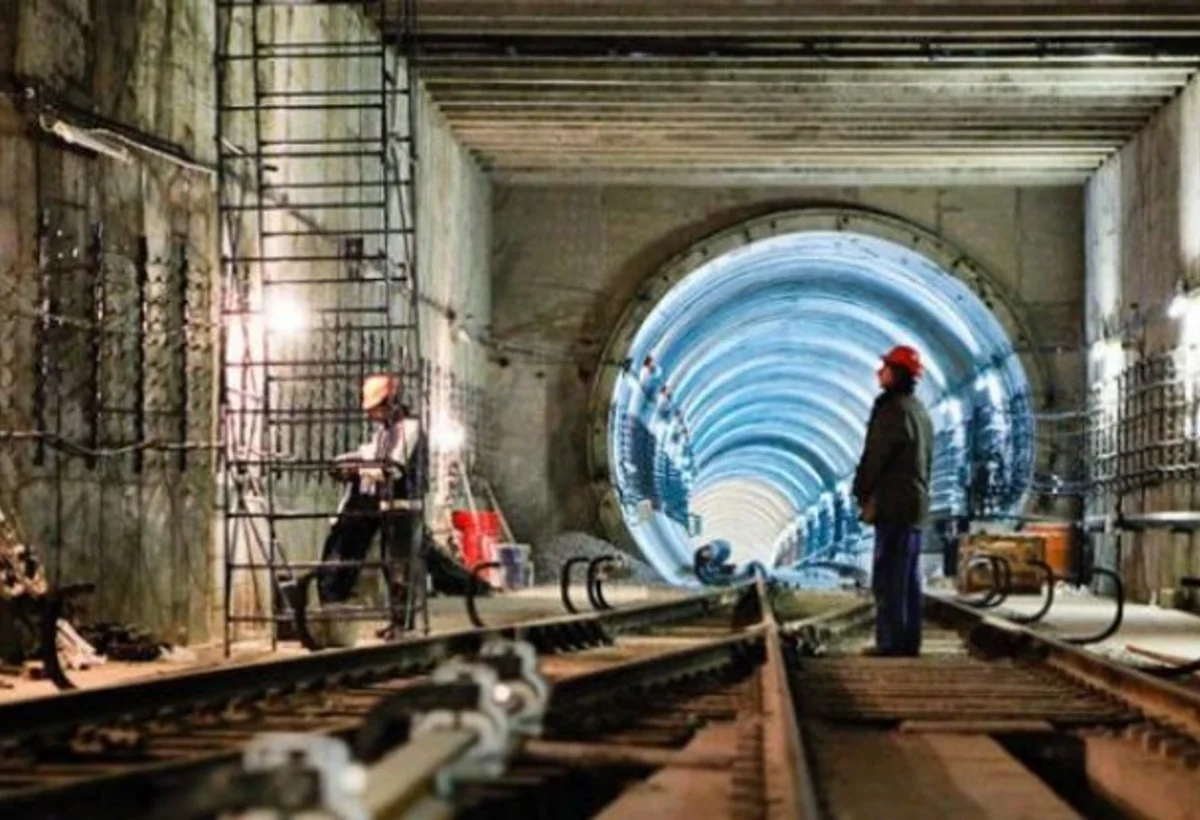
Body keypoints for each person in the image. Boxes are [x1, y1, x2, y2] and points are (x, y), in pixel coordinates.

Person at [852, 345, 933, 657]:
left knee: (888, 576)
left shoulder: (891, 411)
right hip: (915, 504)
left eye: (884, 367)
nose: (879, 372)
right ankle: (908, 641)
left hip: (894, 503)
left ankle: (890, 642)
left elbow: (876, 456)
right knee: (908, 577)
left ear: (896, 374)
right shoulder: (919, 411)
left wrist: (861, 491)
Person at [316, 373, 423, 606]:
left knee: (397, 563)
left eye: (375, 410)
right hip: (384, 503)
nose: (371, 416)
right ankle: (394, 617)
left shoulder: (409, 429)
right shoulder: (385, 432)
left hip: (403, 504)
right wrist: (348, 462)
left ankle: (402, 615)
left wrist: (359, 470)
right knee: (382, 558)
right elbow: (370, 455)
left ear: (390, 404)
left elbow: (392, 468)